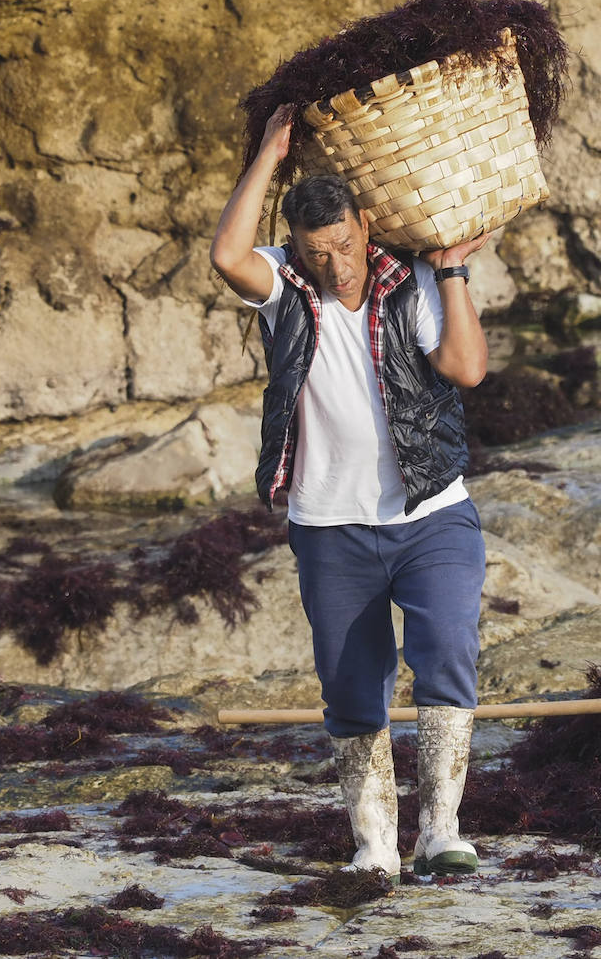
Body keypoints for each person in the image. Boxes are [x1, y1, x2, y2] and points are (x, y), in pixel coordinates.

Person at [210, 103, 491, 880]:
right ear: (295, 245)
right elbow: (226, 252)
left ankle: (441, 829)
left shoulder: (415, 280)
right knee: (349, 685)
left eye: (342, 245)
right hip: (330, 527)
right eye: (315, 251)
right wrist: (270, 152)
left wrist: (455, 271)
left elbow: (467, 370)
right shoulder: (284, 287)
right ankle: (375, 843)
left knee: (447, 653)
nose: (334, 265)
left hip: (432, 512)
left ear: (365, 224)